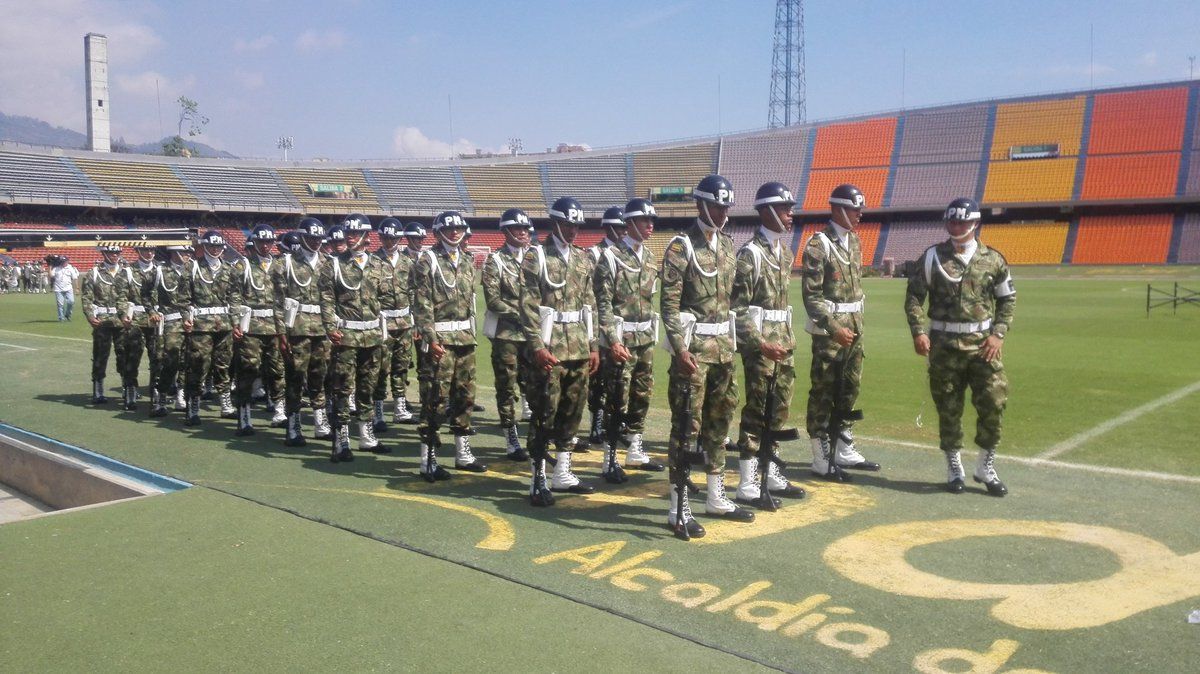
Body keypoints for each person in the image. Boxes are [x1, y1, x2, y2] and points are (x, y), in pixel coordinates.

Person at [661, 175, 754, 539]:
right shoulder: (680, 247)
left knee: (720, 424)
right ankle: (677, 507)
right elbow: (668, 306)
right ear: (700, 205)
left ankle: (716, 496)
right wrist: (680, 349)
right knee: (687, 428)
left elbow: (736, 301)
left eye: (726, 207)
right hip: (694, 354)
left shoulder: (729, 247)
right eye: (716, 205)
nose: (722, 212)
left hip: (723, 353)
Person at [905, 198, 1015, 496]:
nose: (957, 227)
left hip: (983, 345)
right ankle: (954, 467)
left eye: (963, 222)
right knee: (948, 408)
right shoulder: (932, 258)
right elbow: (915, 297)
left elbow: (1007, 299)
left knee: (994, 401)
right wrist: (918, 332)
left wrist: (999, 334)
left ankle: (985, 466)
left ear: (975, 223)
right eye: (952, 221)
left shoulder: (992, 259)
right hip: (944, 345)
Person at [730, 182, 807, 508]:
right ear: (768, 211)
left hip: (782, 344)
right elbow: (738, 307)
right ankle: (748, 482)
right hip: (760, 348)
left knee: (779, 411)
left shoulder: (784, 252)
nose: (791, 215)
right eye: (786, 209)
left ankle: (771, 469)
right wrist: (761, 343)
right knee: (757, 412)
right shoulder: (750, 254)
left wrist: (783, 341)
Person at [520, 196, 600, 505]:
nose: (573, 231)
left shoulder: (582, 258)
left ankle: (563, 472)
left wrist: (593, 345)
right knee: (544, 413)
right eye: (568, 225)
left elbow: (589, 302)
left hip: (578, 346)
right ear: (555, 223)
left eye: (576, 226)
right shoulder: (536, 256)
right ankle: (538, 477)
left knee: (572, 411)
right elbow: (527, 307)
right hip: (550, 348)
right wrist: (537, 346)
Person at [801, 184, 881, 478]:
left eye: (860, 209)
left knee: (850, 389)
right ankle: (820, 454)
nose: (859, 214)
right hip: (829, 334)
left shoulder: (856, 242)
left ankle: (842, 446)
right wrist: (834, 329)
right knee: (823, 391)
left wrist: (854, 327)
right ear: (837, 209)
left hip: (854, 330)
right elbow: (811, 297)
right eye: (854, 208)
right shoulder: (818, 245)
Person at [594, 199, 665, 483]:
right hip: (621, 340)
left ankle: (634, 447)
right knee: (616, 397)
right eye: (645, 221)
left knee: (641, 394)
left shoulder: (649, 257)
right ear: (630, 224)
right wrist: (612, 340)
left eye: (652, 221)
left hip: (645, 338)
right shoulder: (610, 257)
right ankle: (609, 457)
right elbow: (603, 305)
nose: (650, 226)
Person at [411, 210, 485, 480]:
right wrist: (431, 339)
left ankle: (463, 454)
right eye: (449, 229)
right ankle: (427, 459)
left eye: (459, 229)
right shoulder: (427, 260)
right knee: (434, 400)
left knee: (465, 397)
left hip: (464, 338)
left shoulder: (466, 259)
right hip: (440, 340)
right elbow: (422, 304)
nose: (455, 233)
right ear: (438, 231)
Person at [319, 213, 390, 461]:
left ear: (365, 236)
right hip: (346, 335)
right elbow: (326, 300)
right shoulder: (333, 264)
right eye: (348, 233)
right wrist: (330, 327)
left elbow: (385, 299)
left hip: (372, 335)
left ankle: (367, 436)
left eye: (355, 234)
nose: (350, 238)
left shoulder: (378, 265)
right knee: (342, 388)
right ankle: (341, 441)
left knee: (367, 387)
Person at [483, 208, 535, 462]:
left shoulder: (536, 256)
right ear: (505, 231)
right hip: (507, 336)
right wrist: (523, 313)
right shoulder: (495, 261)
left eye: (526, 229)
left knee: (537, 386)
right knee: (506, 387)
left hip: (534, 336)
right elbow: (493, 300)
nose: (523, 233)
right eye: (518, 228)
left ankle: (537, 438)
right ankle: (511, 438)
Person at [278, 220, 332, 446]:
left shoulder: (328, 263)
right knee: (295, 378)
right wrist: (281, 332)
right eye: (311, 238)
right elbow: (278, 301)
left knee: (320, 376)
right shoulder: (287, 263)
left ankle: (321, 423)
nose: (316, 242)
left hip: (322, 328)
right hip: (297, 329)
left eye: (319, 238)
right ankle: (293, 425)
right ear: (301, 237)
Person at [229, 225, 286, 436]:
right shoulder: (242, 266)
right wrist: (236, 322)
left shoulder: (280, 266)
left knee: (277, 369)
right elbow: (234, 296)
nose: (265, 246)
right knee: (248, 370)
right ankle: (244, 415)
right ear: (254, 242)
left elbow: (284, 297)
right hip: (251, 327)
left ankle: (279, 410)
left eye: (269, 242)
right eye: (261, 242)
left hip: (274, 325)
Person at [582, 208, 625, 450]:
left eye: (623, 228)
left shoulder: (625, 253)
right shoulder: (594, 254)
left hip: (620, 326)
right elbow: (590, 292)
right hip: (599, 323)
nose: (622, 232)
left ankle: (616, 424)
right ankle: (596, 423)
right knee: (597, 380)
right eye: (618, 228)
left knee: (618, 379)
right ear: (607, 228)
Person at [184, 230, 237, 426]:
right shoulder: (193, 267)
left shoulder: (229, 269)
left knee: (224, 365)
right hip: (201, 325)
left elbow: (234, 297)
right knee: (198, 365)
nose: (215, 250)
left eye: (218, 247)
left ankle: (225, 403)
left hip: (224, 324)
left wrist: (236, 321)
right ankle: (193, 406)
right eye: (212, 246)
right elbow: (184, 297)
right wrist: (186, 318)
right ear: (204, 246)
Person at [371, 218, 417, 431]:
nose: (390, 241)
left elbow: (414, 292)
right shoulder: (373, 261)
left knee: (402, 366)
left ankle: (400, 408)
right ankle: (378, 411)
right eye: (386, 237)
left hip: (405, 322)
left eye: (394, 238)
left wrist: (415, 322)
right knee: (380, 368)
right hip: (382, 323)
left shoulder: (408, 263)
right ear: (380, 238)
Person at [147, 245, 194, 417]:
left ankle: (181, 394)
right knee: (169, 360)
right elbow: (146, 293)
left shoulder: (193, 270)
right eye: (183, 253)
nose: (187, 256)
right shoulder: (160, 270)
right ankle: (161, 395)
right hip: (170, 321)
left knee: (188, 360)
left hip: (192, 320)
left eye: (189, 253)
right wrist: (152, 311)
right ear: (174, 253)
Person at [79, 244, 128, 405]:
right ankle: (98, 389)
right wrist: (90, 315)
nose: (114, 256)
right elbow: (87, 297)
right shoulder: (94, 273)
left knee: (124, 354)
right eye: (110, 253)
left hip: (122, 320)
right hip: (102, 319)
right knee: (101, 354)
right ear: (104, 254)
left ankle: (126, 388)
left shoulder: (127, 272)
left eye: (117, 253)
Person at [116, 246, 161, 412]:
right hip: (135, 319)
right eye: (145, 250)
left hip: (157, 320)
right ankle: (131, 391)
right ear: (138, 252)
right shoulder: (128, 271)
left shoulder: (160, 271)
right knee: (132, 358)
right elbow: (120, 296)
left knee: (157, 358)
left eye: (151, 250)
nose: (149, 253)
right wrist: (123, 315)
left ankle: (155, 393)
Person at [50, 255, 79, 321]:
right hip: (58, 289)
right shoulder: (56, 268)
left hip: (68, 288)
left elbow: (75, 278)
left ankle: (68, 314)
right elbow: (51, 275)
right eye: (62, 262)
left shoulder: (70, 268)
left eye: (64, 261)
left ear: (67, 261)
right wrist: (50, 266)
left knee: (71, 301)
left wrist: (77, 288)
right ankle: (61, 318)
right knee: (60, 304)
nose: (63, 263)